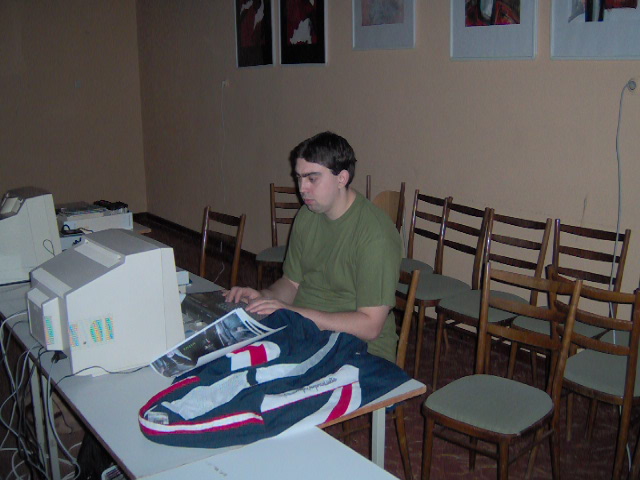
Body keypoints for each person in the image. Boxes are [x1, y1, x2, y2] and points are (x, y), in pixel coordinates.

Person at [225, 131, 402, 362]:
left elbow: (370, 326)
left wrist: (292, 312)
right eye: (299, 178)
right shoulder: (307, 215)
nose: (302, 188)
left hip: (359, 348)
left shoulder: (375, 234)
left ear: (342, 178)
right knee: (230, 357)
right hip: (305, 332)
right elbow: (291, 283)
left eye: (312, 179)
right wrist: (265, 298)